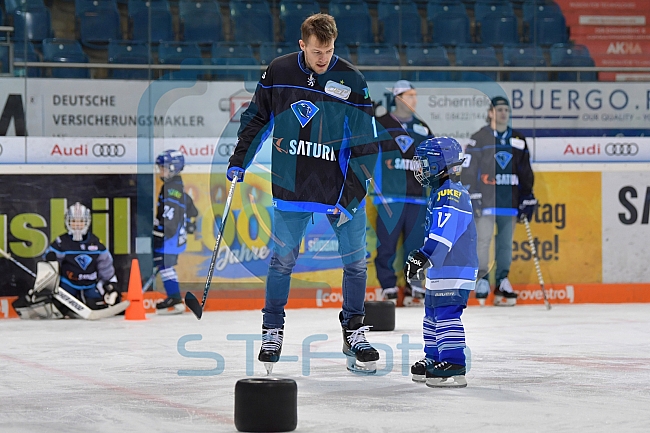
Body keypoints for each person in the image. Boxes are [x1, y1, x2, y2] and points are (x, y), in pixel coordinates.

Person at [227, 13, 383, 374]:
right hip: (292, 187)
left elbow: (367, 146)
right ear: (302, 45)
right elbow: (256, 119)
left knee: (356, 263)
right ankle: (272, 329)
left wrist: (351, 197)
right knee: (282, 261)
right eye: (316, 51)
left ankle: (354, 330)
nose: (323, 58)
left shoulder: (352, 81)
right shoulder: (278, 72)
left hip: (340, 188)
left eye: (328, 50)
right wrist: (240, 159)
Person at [404, 137, 478, 388]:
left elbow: (444, 234)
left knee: (446, 313)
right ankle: (434, 357)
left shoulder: (451, 193)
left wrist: (424, 255)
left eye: (425, 163)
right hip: (441, 269)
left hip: (455, 267)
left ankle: (454, 362)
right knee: (432, 315)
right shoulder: (440, 192)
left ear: (439, 164)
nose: (421, 169)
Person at [461, 96, 536, 306]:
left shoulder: (518, 139)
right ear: (490, 112)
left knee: (505, 245)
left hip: (509, 202)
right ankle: (482, 279)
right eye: (499, 109)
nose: (503, 113)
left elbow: (525, 171)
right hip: (486, 201)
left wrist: (527, 195)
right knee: (483, 241)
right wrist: (471, 192)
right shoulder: (480, 137)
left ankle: (502, 280)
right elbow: (469, 168)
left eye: (506, 110)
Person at [373, 80, 434, 306]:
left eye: (415, 95)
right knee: (386, 244)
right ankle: (388, 286)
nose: (414, 100)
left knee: (415, 245)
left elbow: (435, 160)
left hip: (417, 197)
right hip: (390, 196)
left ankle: (414, 285)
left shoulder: (423, 128)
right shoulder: (382, 124)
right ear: (398, 98)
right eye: (409, 96)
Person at [34, 202, 119, 317]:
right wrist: (50, 263)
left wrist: (110, 285)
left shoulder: (95, 242)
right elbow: (49, 266)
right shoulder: (61, 242)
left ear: (87, 222)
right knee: (59, 306)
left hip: (90, 284)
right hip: (68, 285)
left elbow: (105, 265)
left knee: (97, 304)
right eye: (73, 221)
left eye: (80, 221)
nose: (77, 225)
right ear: (67, 222)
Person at [153, 149, 199, 315]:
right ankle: (174, 298)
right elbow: (193, 211)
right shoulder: (179, 189)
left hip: (169, 237)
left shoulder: (171, 189)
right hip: (174, 237)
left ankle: (175, 299)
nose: (161, 171)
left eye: (163, 168)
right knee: (165, 266)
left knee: (165, 266)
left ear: (173, 168)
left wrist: (161, 232)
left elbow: (170, 216)